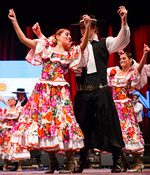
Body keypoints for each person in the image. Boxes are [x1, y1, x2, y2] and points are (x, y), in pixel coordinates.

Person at [8, 9, 91, 173]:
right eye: (65, 34)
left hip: (60, 92)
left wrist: (87, 27)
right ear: (57, 37)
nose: (69, 36)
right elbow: (24, 39)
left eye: (69, 35)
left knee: (64, 123)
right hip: (44, 91)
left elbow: (84, 44)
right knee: (45, 124)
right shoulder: (45, 48)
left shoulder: (70, 53)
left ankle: (69, 162)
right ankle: (52, 162)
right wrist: (14, 21)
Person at [66, 6, 130, 173]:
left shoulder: (104, 42)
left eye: (89, 25)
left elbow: (122, 42)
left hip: (101, 90)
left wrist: (123, 21)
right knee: (82, 126)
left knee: (110, 125)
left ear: (96, 27)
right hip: (83, 93)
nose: (85, 28)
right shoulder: (74, 47)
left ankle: (117, 160)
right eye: (82, 26)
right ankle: (82, 160)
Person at [107, 44, 150, 172]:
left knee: (129, 132)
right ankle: (124, 162)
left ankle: (138, 162)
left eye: (124, 59)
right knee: (116, 135)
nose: (122, 61)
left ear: (131, 61)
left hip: (124, 107)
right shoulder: (114, 72)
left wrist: (145, 54)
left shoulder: (130, 74)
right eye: (121, 59)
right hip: (114, 106)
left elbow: (140, 69)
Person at [0, 96, 30, 171]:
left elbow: (27, 108)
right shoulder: (5, 111)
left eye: (11, 99)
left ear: (15, 101)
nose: (10, 101)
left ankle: (19, 165)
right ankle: (6, 165)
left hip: (16, 131)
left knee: (17, 147)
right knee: (7, 147)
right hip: (7, 132)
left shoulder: (19, 110)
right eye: (8, 100)